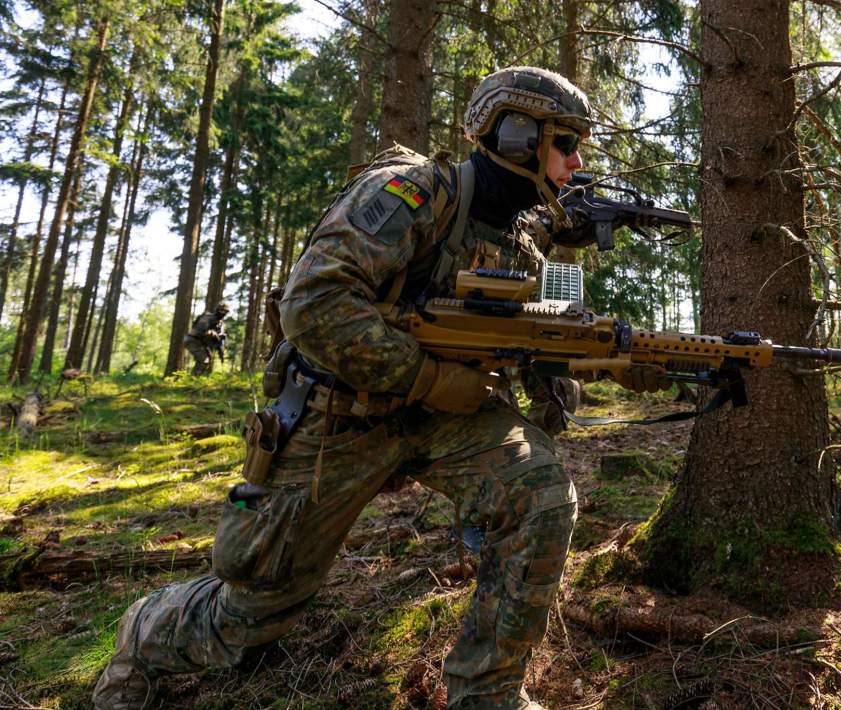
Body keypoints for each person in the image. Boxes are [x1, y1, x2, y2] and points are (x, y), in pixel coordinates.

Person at [93, 66, 613, 710]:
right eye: (567, 143)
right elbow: (313, 305)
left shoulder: (524, 229)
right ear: (516, 134)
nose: (577, 160)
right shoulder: (409, 193)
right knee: (250, 618)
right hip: (338, 411)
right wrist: (427, 377)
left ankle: (488, 691)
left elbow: (502, 322)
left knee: (540, 494)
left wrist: (548, 370)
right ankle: (144, 632)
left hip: (447, 415)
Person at [183, 302, 229, 375]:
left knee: (208, 359)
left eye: (225, 311)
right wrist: (212, 333)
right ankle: (193, 380)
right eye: (221, 310)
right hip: (193, 340)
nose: (223, 313)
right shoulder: (208, 317)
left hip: (201, 343)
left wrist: (220, 350)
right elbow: (201, 330)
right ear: (217, 310)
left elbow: (219, 339)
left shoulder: (219, 323)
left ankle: (197, 379)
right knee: (204, 359)